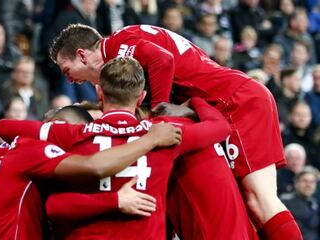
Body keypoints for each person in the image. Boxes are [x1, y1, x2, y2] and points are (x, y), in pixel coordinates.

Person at [50, 23, 302, 239]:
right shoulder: (128, 39)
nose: (70, 80)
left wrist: (161, 109)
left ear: (82, 55)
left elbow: (163, 59)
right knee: (252, 207)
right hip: (229, 98)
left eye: (67, 71)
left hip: (234, 101)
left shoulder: (118, 46)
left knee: (260, 201)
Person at [0, 57, 252, 239]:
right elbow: (220, 128)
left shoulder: (73, 133)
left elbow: (5, 128)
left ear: (99, 93)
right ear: (140, 97)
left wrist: (30, 141)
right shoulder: (167, 136)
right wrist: (193, 102)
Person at [0, 119, 180, 239]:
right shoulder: (35, 150)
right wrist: (151, 139)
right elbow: (95, 166)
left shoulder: (19, 149)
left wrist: (3, 152)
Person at [280, 167, 320, 240]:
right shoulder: (285, 201)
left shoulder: (315, 203)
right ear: (296, 183)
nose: (309, 185)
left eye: (312, 182)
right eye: (305, 181)